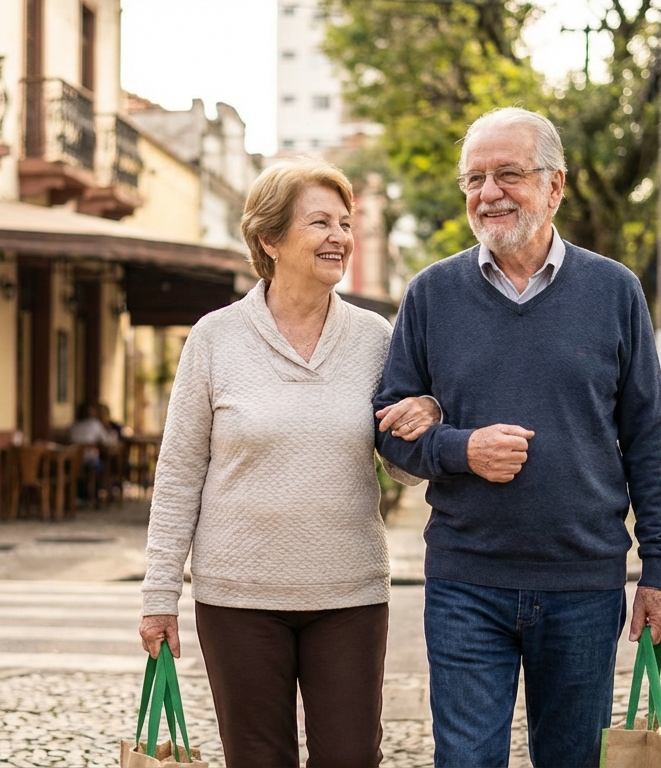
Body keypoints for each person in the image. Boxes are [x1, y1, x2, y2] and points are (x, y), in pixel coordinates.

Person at [372, 107, 661, 768]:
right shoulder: (430, 294)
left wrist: (660, 571)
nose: (488, 193)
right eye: (474, 178)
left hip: (583, 584)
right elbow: (390, 431)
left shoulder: (615, 291)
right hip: (465, 582)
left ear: (554, 186)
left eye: (508, 174)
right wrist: (461, 450)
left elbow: (649, 436)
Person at [139, 158, 440, 768]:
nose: (340, 237)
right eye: (320, 222)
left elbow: (406, 470)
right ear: (270, 239)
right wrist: (159, 595)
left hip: (349, 593)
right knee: (256, 757)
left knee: (352, 758)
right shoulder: (214, 338)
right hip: (237, 597)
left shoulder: (375, 337)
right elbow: (178, 475)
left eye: (345, 223)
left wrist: (425, 417)